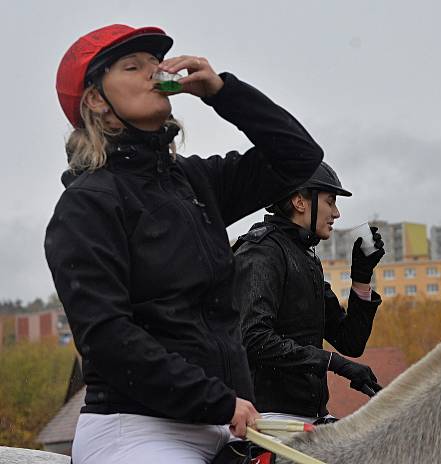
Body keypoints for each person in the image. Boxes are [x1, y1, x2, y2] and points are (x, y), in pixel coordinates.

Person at [45, 24, 323, 463]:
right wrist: (217, 401)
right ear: (97, 100)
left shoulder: (194, 182)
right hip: (138, 430)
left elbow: (300, 157)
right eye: (132, 67)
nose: (153, 73)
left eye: (155, 65)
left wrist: (221, 91)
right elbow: (107, 337)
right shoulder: (86, 205)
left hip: (225, 423)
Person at [233, 161, 385, 424]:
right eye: (330, 201)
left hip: (309, 417)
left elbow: (351, 341)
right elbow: (254, 339)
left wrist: (361, 278)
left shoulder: (306, 258)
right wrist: (333, 363)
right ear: (300, 202)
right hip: (266, 419)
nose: (336, 213)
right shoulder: (261, 251)